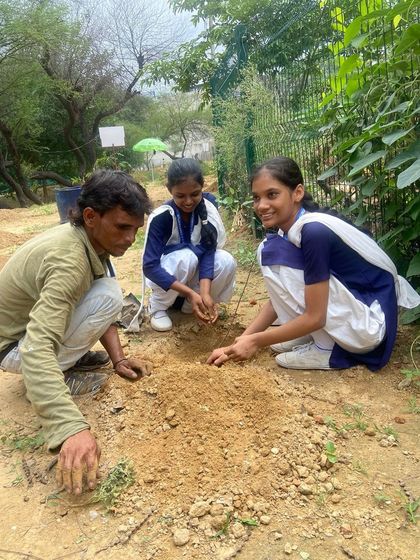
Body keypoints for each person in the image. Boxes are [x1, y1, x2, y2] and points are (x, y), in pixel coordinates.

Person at [0, 169, 152, 495]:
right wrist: (69, 427)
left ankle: (68, 360)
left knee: (105, 292)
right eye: (122, 227)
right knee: (110, 294)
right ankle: (57, 375)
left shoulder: (85, 240)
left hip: (22, 331)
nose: (129, 239)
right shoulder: (70, 260)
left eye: (135, 230)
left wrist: (118, 359)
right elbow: (38, 346)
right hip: (14, 347)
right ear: (90, 216)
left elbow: (91, 301)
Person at [207, 156, 420, 371]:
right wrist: (239, 342)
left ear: (297, 193)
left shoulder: (313, 232)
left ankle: (326, 347)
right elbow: (278, 300)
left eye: (272, 194)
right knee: (269, 249)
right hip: (358, 310)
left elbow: (315, 316)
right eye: (256, 197)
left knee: (270, 252)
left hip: (369, 326)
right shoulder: (292, 228)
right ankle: (313, 335)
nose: (261, 205)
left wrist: (256, 341)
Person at [143, 158, 236, 332]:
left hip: (194, 281)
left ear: (202, 187)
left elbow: (208, 251)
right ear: (169, 190)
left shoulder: (208, 208)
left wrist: (204, 293)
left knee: (225, 260)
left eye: (194, 194)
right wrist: (190, 292)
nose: (188, 201)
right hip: (169, 280)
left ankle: (191, 306)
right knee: (186, 257)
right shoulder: (163, 216)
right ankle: (158, 307)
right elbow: (149, 266)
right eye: (180, 196)